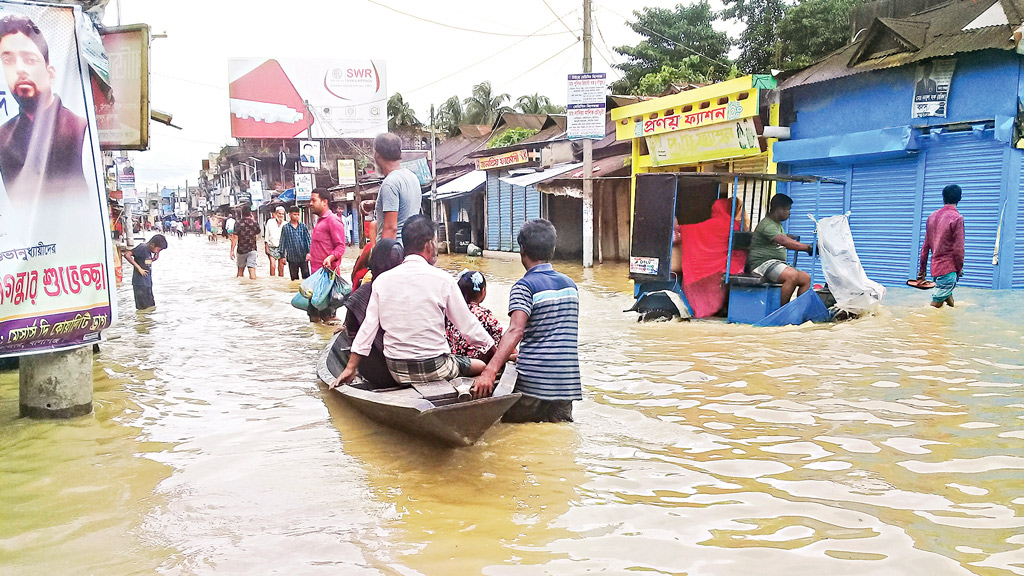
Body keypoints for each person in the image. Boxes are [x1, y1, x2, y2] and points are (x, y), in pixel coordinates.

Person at [331, 215, 495, 388]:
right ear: (429, 245)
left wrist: (350, 367)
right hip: (436, 368)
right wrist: (497, 354)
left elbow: (367, 329)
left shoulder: (381, 281)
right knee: (480, 365)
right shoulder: (444, 279)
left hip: (397, 370)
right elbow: (468, 327)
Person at [471, 218, 581, 423]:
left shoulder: (524, 286)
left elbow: (515, 331)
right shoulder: (571, 286)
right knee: (558, 441)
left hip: (534, 383)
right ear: (553, 249)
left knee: (510, 431)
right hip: (566, 383)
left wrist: (489, 371)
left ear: (522, 249)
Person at [0, 15, 88, 206]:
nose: (19, 69)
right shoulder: (2, 138)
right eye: (8, 61)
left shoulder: (81, 130)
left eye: (29, 59)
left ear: (51, 73)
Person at [338, 239, 406, 388]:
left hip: (378, 371)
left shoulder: (361, 295)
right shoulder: (411, 290)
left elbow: (352, 332)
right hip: (410, 365)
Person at [679, 197, 747, 317]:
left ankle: (700, 311)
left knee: (701, 277)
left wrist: (679, 227)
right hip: (736, 265)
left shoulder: (717, 223)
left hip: (723, 267)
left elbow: (691, 231)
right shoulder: (735, 225)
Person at [746, 193, 814, 305]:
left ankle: (801, 311)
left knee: (806, 279)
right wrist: (807, 248)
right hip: (762, 264)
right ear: (779, 209)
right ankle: (782, 311)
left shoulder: (776, 224)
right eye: (788, 209)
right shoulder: (767, 224)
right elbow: (783, 241)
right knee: (791, 275)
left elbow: (784, 237)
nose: (789, 213)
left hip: (776, 263)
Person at [360, 133, 421, 244]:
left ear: (377, 155)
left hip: (394, 252)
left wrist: (383, 258)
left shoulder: (390, 183)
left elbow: (391, 228)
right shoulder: (412, 177)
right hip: (410, 246)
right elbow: (404, 207)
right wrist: (376, 204)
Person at [918, 184, 965, 308]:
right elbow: (959, 249)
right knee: (935, 306)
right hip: (948, 269)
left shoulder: (932, 217)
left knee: (948, 300)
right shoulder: (957, 218)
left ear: (943, 198)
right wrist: (959, 269)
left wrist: (922, 271)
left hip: (936, 269)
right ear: (959, 198)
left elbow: (925, 247)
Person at [446, 270, 504, 360]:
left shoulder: (451, 313)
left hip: (454, 362)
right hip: (478, 364)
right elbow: (499, 341)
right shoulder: (485, 315)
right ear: (484, 291)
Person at [308, 188, 347, 322]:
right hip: (316, 279)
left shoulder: (333, 221)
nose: (310, 203)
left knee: (328, 318)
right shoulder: (320, 221)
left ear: (324, 202)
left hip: (327, 280)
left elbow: (341, 246)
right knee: (314, 319)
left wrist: (330, 257)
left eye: (314, 200)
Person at [122, 234, 168, 310]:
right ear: (153, 244)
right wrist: (139, 268)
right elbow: (127, 255)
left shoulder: (148, 251)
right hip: (140, 283)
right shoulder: (142, 247)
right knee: (142, 308)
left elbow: (145, 262)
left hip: (147, 283)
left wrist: (153, 259)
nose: (158, 252)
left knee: (150, 307)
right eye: (158, 250)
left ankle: (147, 321)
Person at [279, 205, 312, 280]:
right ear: (290, 214)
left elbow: (308, 240)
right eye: (294, 214)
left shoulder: (303, 226)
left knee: (306, 278)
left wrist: (309, 253)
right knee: (294, 279)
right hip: (292, 258)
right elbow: (282, 242)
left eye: (298, 214)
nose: (296, 216)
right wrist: (282, 256)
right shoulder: (286, 228)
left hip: (303, 257)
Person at [230, 204, 260, 279]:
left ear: (242, 213)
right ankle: (254, 288)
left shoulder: (238, 223)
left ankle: (240, 288)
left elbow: (235, 237)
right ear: (250, 213)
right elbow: (258, 233)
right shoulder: (254, 223)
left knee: (240, 272)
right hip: (252, 249)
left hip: (241, 250)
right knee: (252, 270)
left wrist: (232, 251)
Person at [264, 206, 286, 277]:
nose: (281, 215)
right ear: (276, 214)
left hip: (282, 248)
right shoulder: (270, 222)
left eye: (282, 214)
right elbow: (266, 235)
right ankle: (272, 281)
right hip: (271, 247)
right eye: (279, 213)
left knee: (281, 268)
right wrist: (266, 247)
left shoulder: (286, 224)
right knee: (272, 266)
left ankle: (280, 283)